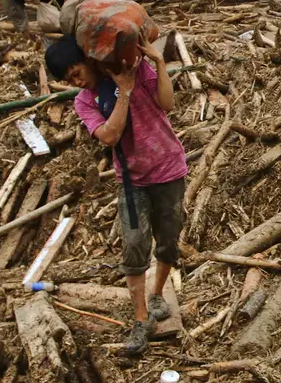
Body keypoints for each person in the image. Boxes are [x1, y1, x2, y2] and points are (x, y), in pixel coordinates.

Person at [44, 35, 187, 356]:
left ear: (89, 60)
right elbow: (109, 135)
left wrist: (159, 62)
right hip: (132, 180)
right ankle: (141, 320)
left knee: (168, 241)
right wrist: (123, 92)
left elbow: (168, 104)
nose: (76, 80)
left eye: (76, 71)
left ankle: (158, 295)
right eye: (69, 79)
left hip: (169, 168)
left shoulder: (140, 71)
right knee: (135, 245)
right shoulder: (85, 100)